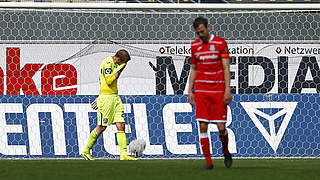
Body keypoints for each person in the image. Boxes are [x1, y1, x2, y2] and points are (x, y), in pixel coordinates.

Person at [188, 16, 232, 170]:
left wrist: (227, 89)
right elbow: (193, 68)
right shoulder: (194, 46)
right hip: (201, 91)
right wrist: (190, 90)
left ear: (208, 27)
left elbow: (226, 68)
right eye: (198, 33)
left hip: (218, 90)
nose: (201, 35)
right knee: (202, 125)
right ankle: (208, 161)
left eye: (202, 31)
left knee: (221, 127)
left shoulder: (220, 43)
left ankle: (226, 151)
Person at [81, 49, 137, 161]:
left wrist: (121, 67)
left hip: (115, 98)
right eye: (123, 62)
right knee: (102, 127)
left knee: (121, 125)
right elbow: (109, 81)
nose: (122, 65)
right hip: (106, 99)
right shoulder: (107, 63)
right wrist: (121, 68)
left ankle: (123, 154)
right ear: (118, 59)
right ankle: (86, 150)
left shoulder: (116, 64)